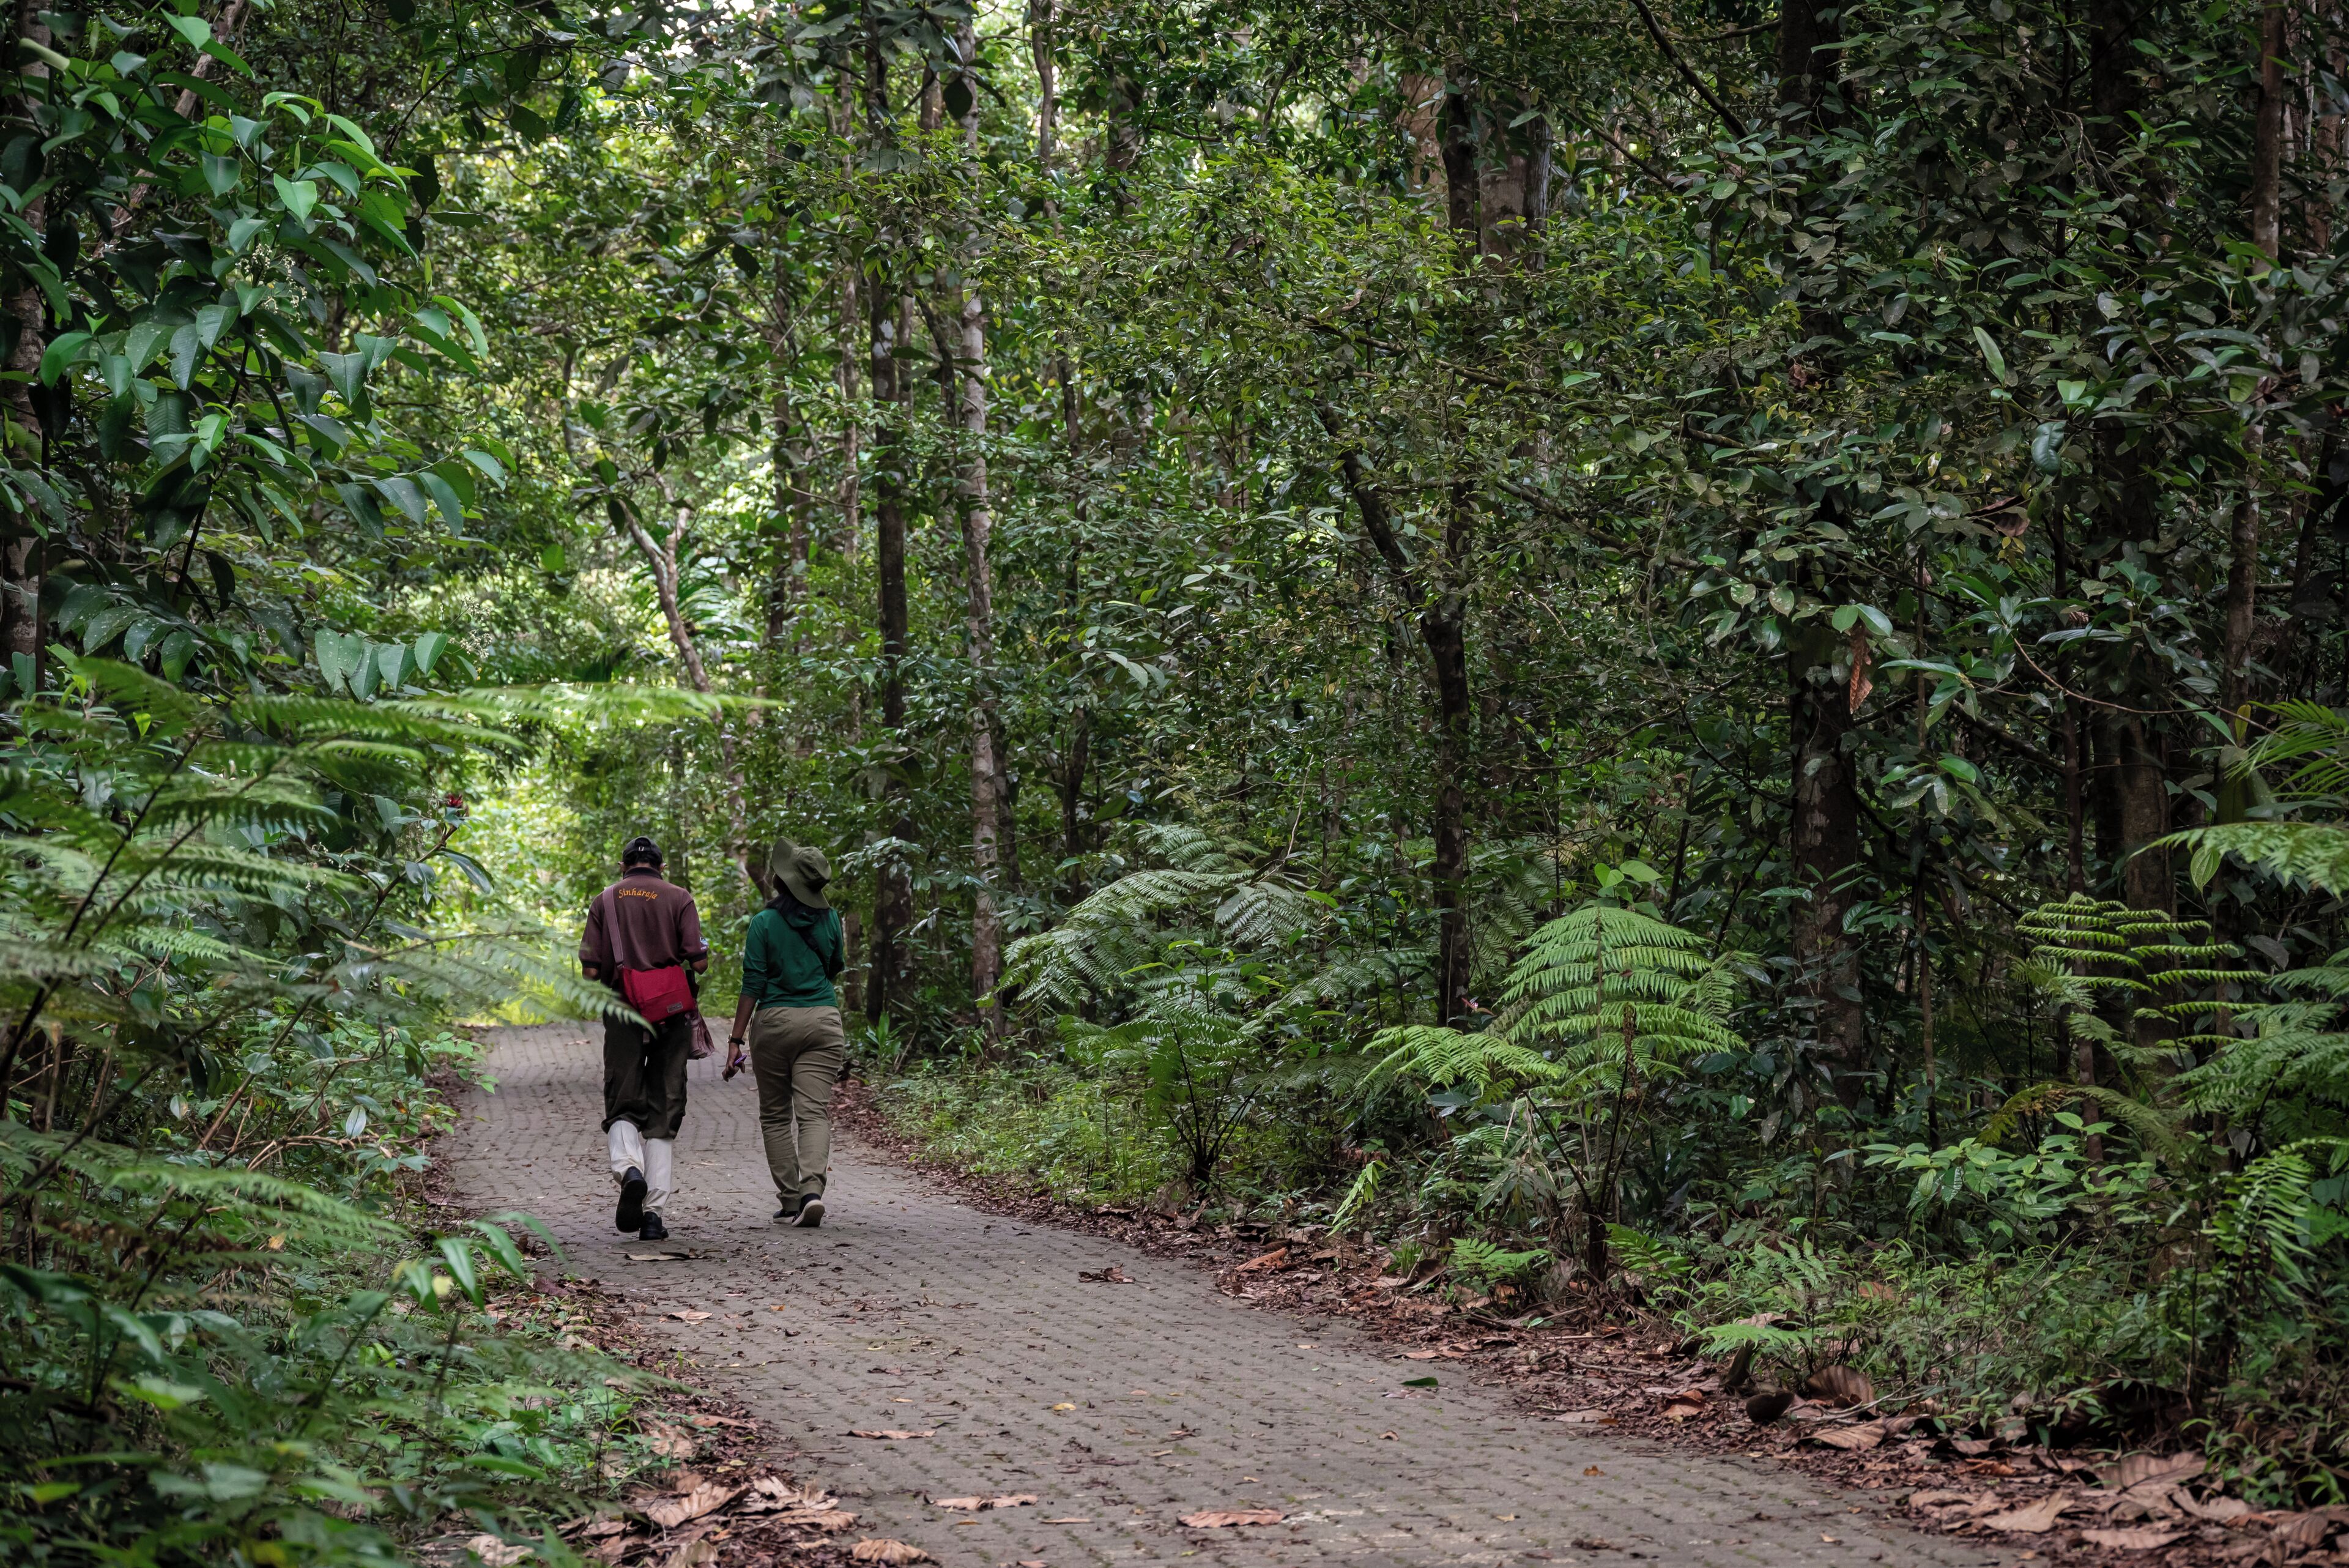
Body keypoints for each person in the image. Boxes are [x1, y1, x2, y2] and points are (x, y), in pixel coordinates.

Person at [579, 836, 708, 1241]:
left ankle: (628, 1169)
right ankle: (653, 1215)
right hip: (671, 1015)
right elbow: (699, 962)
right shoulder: (680, 897)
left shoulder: (605, 900)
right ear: (661, 866)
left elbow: (591, 973)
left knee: (622, 1099)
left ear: (623, 866)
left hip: (622, 1012)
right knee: (664, 1108)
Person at [727, 838, 847, 1227]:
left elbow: (753, 984)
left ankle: (792, 1201)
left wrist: (735, 1040)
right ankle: (813, 1191)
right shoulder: (830, 920)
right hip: (824, 1022)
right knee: (814, 1113)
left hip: (776, 1023)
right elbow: (834, 967)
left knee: (776, 1116)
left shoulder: (764, 923)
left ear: (782, 882)